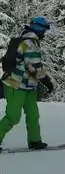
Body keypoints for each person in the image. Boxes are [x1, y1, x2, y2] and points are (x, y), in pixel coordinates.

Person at [0, 17, 55, 151]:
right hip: (15, 85)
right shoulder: (29, 43)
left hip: (29, 86)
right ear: (38, 29)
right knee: (13, 117)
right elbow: (34, 66)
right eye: (44, 30)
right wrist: (47, 81)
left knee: (33, 114)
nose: (44, 33)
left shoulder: (30, 41)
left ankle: (35, 141)